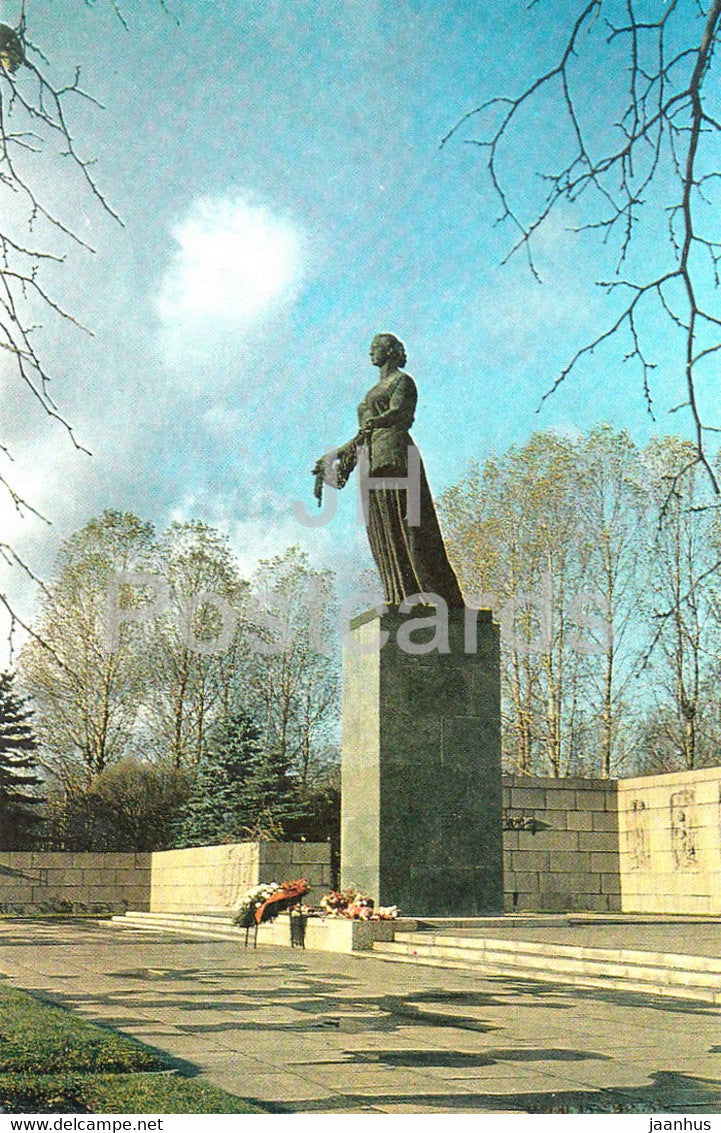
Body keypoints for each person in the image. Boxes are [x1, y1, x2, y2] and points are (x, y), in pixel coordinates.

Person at [313, 332, 464, 608]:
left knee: (410, 528)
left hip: (396, 457)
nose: (371, 352)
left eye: (377, 347)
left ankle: (430, 595)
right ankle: (401, 594)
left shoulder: (402, 382)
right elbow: (363, 435)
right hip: (372, 461)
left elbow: (400, 414)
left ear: (392, 351)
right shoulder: (373, 392)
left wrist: (372, 425)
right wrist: (333, 457)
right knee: (383, 530)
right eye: (370, 347)